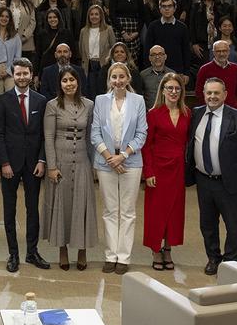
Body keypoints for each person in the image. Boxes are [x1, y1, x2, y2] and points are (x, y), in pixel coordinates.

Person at [185, 76, 237, 275]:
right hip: (203, 180)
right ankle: (213, 259)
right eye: (209, 93)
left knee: (233, 226)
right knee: (207, 225)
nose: (212, 96)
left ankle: (231, 263)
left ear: (225, 94)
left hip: (230, 182)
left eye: (217, 93)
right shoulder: (196, 114)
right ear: (203, 94)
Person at [0, 58, 51, 273]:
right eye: (18, 74)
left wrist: (42, 160)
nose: (22, 77)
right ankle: (13, 254)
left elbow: (46, 134)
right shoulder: (2, 101)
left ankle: (32, 252)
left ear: (31, 74)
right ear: (12, 75)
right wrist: (4, 163)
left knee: (32, 209)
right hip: (10, 164)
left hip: (34, 164)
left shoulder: (41, 101)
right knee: (9, 210)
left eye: (25, 73)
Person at [91, 61, 148, 274]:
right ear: (109, 80)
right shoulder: (100, 101)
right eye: (114, 77)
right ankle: (110, 255)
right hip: (105, 161)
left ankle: (123, 257)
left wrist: (123, 155)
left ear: (128, 78)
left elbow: (142, 132)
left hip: (130, 161)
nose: (118, 81)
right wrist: (109, 157)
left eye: (121, 77)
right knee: (110, 210)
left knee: (128, 211)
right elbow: (95, 132)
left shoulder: (138, 101)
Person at [42, 66, 97, 272]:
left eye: (72, 80)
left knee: (82, 205)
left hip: (82, 160)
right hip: (61, 161)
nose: (69, 84)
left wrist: (94, 164)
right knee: (62, 206)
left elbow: (92, 136)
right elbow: (48, 137)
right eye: (64, 81)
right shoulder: (52, 105)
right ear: (60, 84)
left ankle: (82, 251)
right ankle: (63, 250)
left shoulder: (89, 105)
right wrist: (52, 166)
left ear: (78, 82)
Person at [143, 72, 191, 271]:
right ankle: (156, 249)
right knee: (156, 211)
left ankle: (168, 249)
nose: (173, 91)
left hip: (178, 169)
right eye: (169, 88)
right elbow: (146, 146)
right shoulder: (153, 114)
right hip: (158, 169)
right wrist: (149, 172)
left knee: (174, 210)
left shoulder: (188, 113)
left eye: (177, 89)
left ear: (181, 92)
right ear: (162, 91)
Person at [195, 39, 237, 107]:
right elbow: (199, 92)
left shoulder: (236, 69)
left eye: (224, 51)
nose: (221, 54)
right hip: (211, 109)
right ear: (213, 52)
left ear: (229, 52)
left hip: (231, 109)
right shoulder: (204, 69)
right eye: (218, 51)